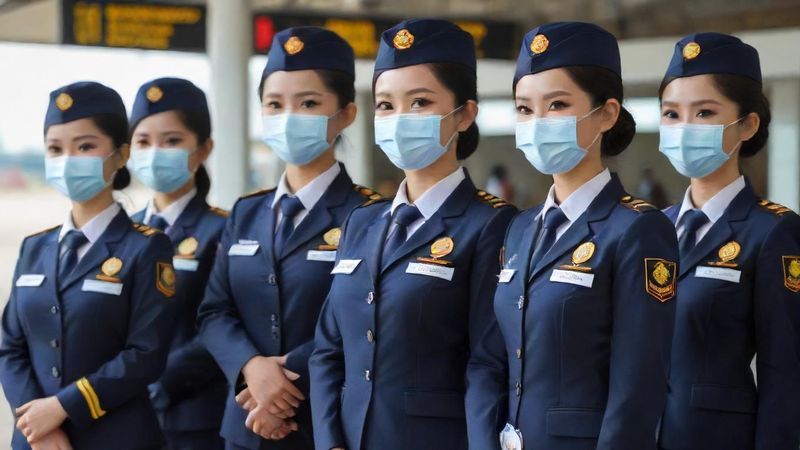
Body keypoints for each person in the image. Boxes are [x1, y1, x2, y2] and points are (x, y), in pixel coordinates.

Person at [467, 22, 679, 450]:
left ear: (606, 113)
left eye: (558, 104)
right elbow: (489, 358)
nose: (537, 122)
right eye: (524, 109)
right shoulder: (520, 227)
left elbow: (638, 383)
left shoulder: (637, 229)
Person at [309, 18, 517, 450]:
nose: (399, 118)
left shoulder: (491, 224)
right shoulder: (361, 221)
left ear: (464, 114)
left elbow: (487, 363)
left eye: (420, 102)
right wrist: (329, 441)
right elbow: (329, 350)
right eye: (386, 105)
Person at [197, 26, 379, 450]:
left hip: (328, 424)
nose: (288, 117)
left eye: (309, 103)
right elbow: (213, 312)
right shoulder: (247, 212)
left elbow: (368, 323)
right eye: (274, 104)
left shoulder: (371, 215)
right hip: (244, 426)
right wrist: (251, 368)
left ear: (347, 114)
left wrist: (281, 382)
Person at [0, 81, 176, 450]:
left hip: (116, 437)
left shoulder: (146, 248)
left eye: (85, 146)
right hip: (38, 442)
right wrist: (37, 426)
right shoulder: (35, 247)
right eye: (55, 149)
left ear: (121, 154)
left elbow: (146, 354)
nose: (67, 160)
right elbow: (10, 347)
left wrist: (61, 408)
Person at [657, 32, 800, 450]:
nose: (684, 128)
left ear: (747, 124)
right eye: (671, 114)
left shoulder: (772, 231)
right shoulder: (651, 228)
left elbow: (785, 370)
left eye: (704, 113)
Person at [129, 77, 228, 450]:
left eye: (172, 141)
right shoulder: (124, 232)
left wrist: (156, 381)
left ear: (203, 149)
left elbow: (222, 320)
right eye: (143, 141)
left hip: (195, 419)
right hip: (124, 419)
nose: (156, 152)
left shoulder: (224, 229)